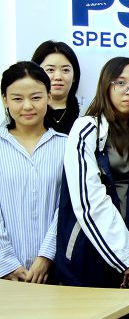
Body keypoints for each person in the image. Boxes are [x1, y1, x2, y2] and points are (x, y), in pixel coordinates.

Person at [55, 57, 129, 288]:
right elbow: (89, 199)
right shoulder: (86, 129)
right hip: (90, 252)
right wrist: (125, 257)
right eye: (121, 83)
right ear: (106, 86)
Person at [0, 62, 67, 283]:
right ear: (5, 99)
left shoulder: (67, 146)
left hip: (55, 271)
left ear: (49, 97)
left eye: (36, 97)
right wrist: (6, 263)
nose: (27, 106)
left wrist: (46, 256)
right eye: (17, 99)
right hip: (4, 274)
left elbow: (69, 207)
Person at [31, 40, 81, 134]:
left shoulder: (89, 113)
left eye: (65, 70)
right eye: (50, 70)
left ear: (74, 76)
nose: (58, 77)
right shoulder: (25, 112)